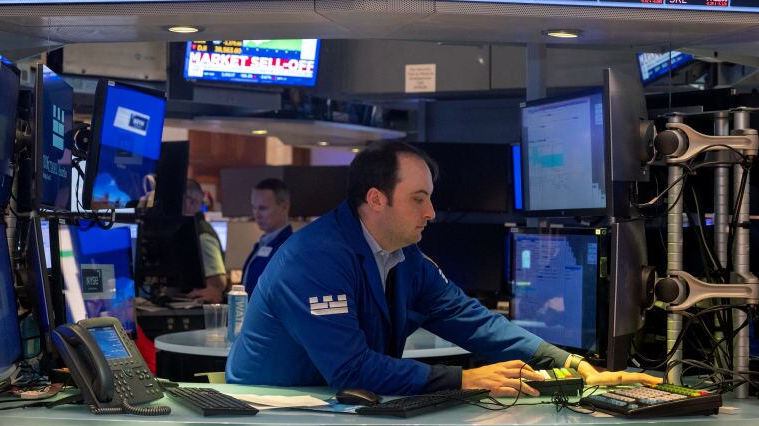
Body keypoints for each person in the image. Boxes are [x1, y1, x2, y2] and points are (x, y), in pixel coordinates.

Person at [227, 141, 661, 396]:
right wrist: (467, 379)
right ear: (377, 199)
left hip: (334, 409)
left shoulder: (404, 255)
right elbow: (350, 370)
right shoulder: (314, 259)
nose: (432, 212)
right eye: (419, 198)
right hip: (266, 416)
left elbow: (469, 319)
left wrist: (568, 362)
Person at [241, 178, 293, 296]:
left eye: (263, 208)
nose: (256, 214)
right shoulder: (263, 243)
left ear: (284, 207)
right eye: (254, 208)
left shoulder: (289, 248)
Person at [182, 179, 227, 304]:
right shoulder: (190, 232)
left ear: (191, 201)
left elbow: (218, 283)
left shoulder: (203, 235)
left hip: (199, 311)